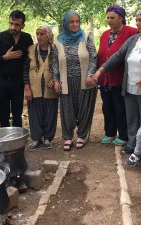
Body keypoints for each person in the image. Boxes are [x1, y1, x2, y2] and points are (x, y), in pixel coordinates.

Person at [91, 8, 141, 154]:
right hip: (129, 87)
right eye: (136, 20)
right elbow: (117, 56)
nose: (137, 23)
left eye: (140, 20)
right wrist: (99, 72)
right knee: (131, 118)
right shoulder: (133, 39)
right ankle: (133, 143)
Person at [53, 10, 97, 151]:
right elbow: (54, 62)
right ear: (65, 23)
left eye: (77, 21)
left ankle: (82, 136)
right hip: (65, 81)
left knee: (84, 109)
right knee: (67, 110)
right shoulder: (58, 40)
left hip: (84, 80)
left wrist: (90, 74)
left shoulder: (85, 37)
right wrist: (55, 80)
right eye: (71, 21)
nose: (75, 24)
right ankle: (67, 137)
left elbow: (93, 57)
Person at [97, 6, 138, 146]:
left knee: (120, 107)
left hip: (120, 78)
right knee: (107, 107)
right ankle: (109, 132)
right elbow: (101, 54)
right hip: (104, 79)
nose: (109, 20)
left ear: (121, 18)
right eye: (107, 17)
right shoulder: (104, 34)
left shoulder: (131, 32)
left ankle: (124, 134)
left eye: (112, 18)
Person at [0, 10, 33, 127]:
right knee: (3, 113)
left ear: (23, 25)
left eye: (17, 24)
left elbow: (31, 59)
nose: (13, 27)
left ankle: (18, 140)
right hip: (2, 81)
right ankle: (5, 140)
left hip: (18, 81)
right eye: (11, 23)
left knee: (17, 113)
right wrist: (5, 57)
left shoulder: (27, 38)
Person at [23, 25, 58, 150]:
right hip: (34, 88)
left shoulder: (55, 49)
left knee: (50, 113)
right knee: (34, 114)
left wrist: (54, 79)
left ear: (48, 35)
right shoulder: (31, 49)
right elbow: (25, 70)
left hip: (50, 88)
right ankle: (37, 139)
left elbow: (59, 67)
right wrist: (27, 88)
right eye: (37, 34)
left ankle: (48, 138)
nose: (39, 37)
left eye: (42, 34)